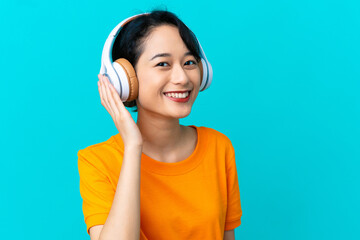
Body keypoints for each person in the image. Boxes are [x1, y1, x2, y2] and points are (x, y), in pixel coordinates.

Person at [77, 9, 242, 240]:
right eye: (163, 64)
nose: (182, 78)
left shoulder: (218, 147)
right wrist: (133, 146)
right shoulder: (97, 162)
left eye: (189, 62)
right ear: (125, 79)